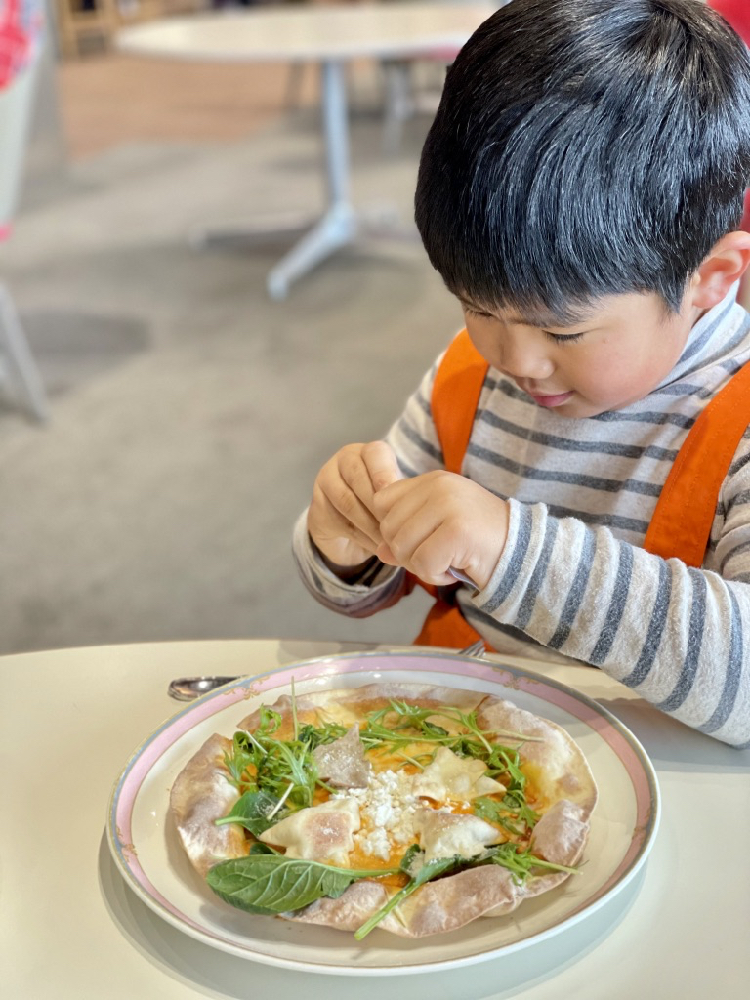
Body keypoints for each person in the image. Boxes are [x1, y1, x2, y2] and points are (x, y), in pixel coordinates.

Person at [293, 0, 750, 748]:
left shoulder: (738, 418)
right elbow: (374, 581)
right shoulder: (469, 373)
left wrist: (511, 551)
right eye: (477, 307)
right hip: (446, 768)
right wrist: (343, 548)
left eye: (563, 328)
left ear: (712, 278)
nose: (517, 360)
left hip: (655, 781)